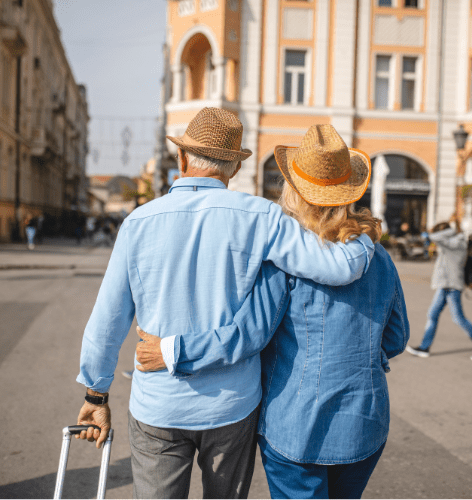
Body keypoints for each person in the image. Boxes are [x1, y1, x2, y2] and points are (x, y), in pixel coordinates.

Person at [74, 109, 376, 499]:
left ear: (182, 160)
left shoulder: (138, 222)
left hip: (159, 404)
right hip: (231, 406)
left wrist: (95, 395)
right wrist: (366, 236)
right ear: (233, 168)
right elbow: (335, 268)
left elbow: (107, 322)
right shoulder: (261, 217)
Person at [138, 124, 409, 499]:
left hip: (297, 427)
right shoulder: (377, 257)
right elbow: (396, 338)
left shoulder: (285, 260)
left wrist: (173, 350)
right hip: (365, 422)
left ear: (293, 191)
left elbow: (247, 336)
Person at [406, 217, 472, 362]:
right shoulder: (453, 242)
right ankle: (424, 347)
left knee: (458, 319)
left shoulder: (455, 243)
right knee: (432, 314)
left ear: (446, 233)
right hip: (445, 285)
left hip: (451, 286)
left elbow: (433, 237)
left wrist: (449, 230)